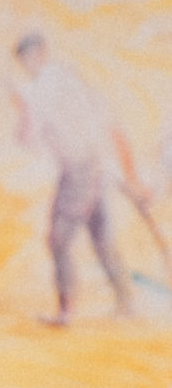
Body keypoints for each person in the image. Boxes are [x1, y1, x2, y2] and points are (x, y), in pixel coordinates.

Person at [11, 32, 134, 323]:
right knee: (102, 238)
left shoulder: (40, 88)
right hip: (94, 165)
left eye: (29, 56)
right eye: (23, 59)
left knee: (59, 240)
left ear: (41, 52)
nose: (27, 64)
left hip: (78, 170)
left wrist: (22, 107)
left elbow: (27, 138)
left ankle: (66, 312)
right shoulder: (66, 76)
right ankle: (127, 304)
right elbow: (99, 115)